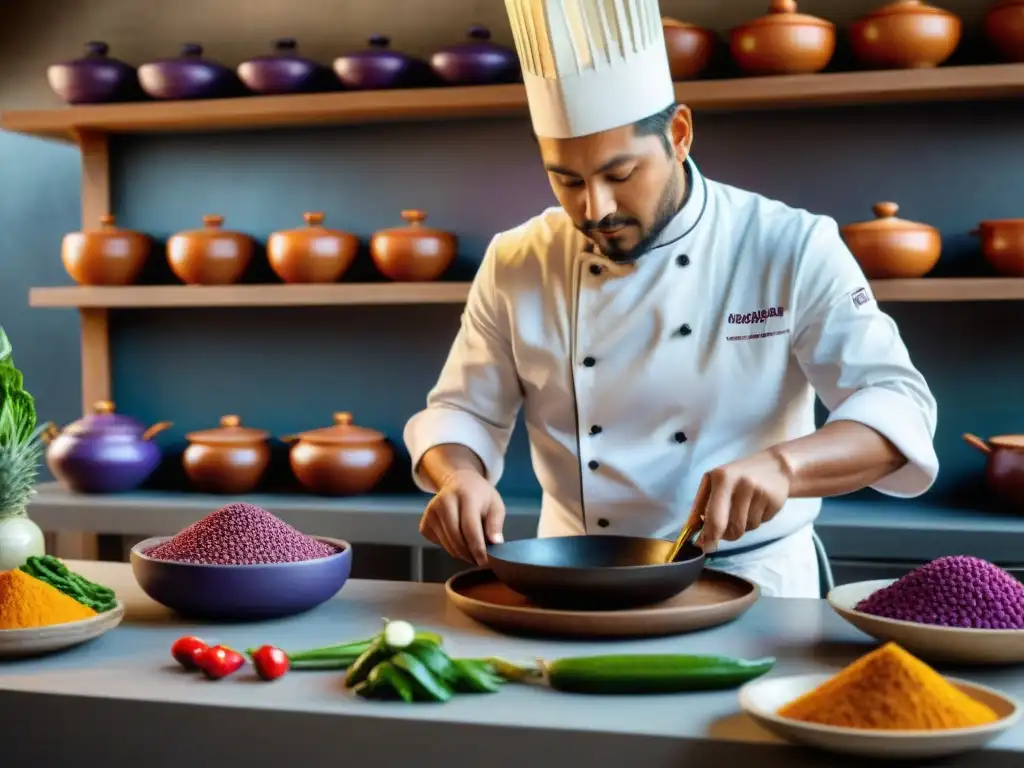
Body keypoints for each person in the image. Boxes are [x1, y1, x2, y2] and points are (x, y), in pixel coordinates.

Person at [403, 0, 939, 598]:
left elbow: (897, 410)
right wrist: (458, 476)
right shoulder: (517, 259)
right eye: (568, 180)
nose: (594, 208)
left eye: (621, 174)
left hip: (753, 582)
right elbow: (462, 412)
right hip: (572, 580)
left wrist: (785, 467)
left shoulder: (789, 244)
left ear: (679, 134)